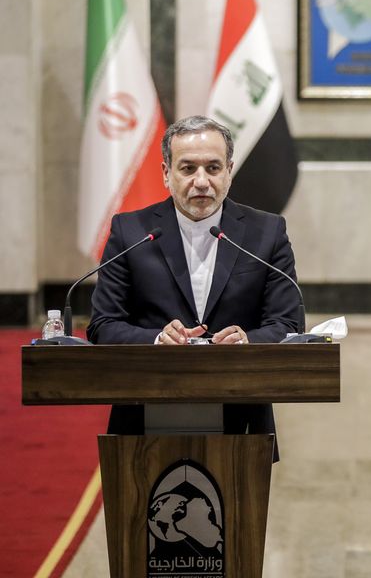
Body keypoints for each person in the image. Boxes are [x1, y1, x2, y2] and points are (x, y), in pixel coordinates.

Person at [87, 115, 300, 451]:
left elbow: (288, 323)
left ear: (229, 171)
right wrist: (157, 339)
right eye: (188, 169)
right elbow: (102, 326)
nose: (201, 181)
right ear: (166, 174)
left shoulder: (267, 233)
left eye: (213, 168)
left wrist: (248, 340)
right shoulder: (130, 232)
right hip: (143, 415)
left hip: (241, 418)